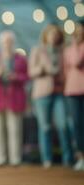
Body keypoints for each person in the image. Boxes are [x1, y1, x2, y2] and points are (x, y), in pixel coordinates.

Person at [29, 24, 72, 168]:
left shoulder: (63, 51)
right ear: (46, 35)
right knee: (45, 127)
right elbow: (31, 72)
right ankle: (47, 159)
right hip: (42, 93)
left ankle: (68, 159)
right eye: (51, 33)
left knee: (63, 124)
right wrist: (42, 69)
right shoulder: (38, 50)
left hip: (59, 91)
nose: (54, 36)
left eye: (56, 34)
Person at [0, 31, 28, 166]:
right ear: (1, 43)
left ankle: (15, 159)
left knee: (15, 129)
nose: (7, 44)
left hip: (15, 99)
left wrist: (16, 77)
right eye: (5, 42)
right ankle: (0, 159)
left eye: (9, 41)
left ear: (13, 43)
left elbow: (27, 76)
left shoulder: (20, 59)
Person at [63, 21, 84, 171]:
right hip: (72, 91)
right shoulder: (68, 49)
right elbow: (66, 70)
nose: (78, 31)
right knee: (77, 125)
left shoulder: (77, 48)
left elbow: (76, 62)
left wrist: (76, 45)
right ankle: (81, 157)